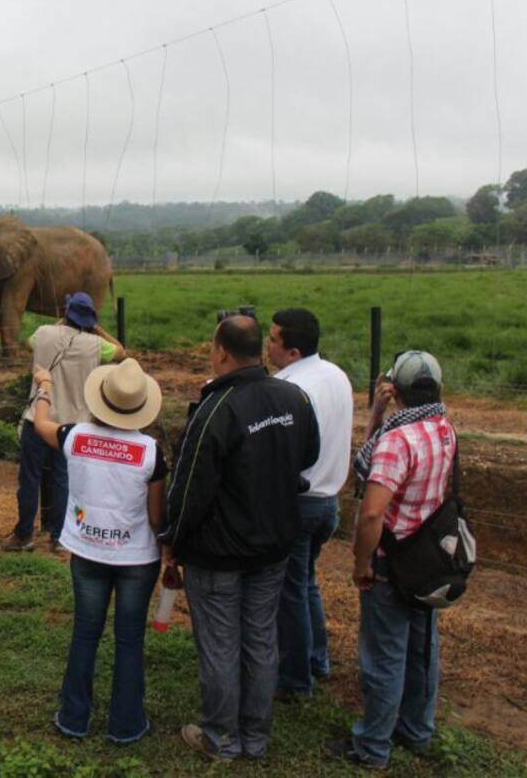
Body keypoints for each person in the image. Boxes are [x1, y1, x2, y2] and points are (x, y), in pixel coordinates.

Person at [160, 315, 319, 761]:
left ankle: (220, 739)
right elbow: (309, 454)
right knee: (261, 638)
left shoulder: (216, 408)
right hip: (274, 545)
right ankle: (255, 736)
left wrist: (172, 540)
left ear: (222, 352)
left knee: (221, 644)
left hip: (218, 553)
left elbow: (189, 489)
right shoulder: (294, 398)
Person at [328, 350, 456, 769]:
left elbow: (371, 511)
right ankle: (417, 729)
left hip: (390, 559)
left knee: (384, 656)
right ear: (436, 389)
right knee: (421, 648)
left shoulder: (396, 441)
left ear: (396, 390)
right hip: (426, 561)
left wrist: (362, 562)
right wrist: (380, 412)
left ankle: (373, 746)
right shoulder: (443, 428)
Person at [29, 358, 167, 744]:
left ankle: (74, 717)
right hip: (137, 558)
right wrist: (169, 548)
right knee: (129, 638)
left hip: (87, 553)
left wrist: (45, 388)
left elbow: (41, 426)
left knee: (85, 634)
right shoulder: (152, 452)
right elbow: (157, 517)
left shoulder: (75, 436)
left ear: (100, 399)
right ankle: (126, 724)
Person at [267, 308, 354, 699]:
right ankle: (318, 659)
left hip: (299, 503)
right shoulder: (336, 375)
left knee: (290, 593)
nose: (267, 344)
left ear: (292, 350)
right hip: (329, 502)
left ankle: (295, 679)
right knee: (306, 583)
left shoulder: (288, 388)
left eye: (273, 339)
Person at [2, 292, 125, 553]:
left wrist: (61, 323)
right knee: (62, 479)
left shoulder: (44, 332)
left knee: (30, 478)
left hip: (38, 418)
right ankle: (59, 537)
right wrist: (98, 329)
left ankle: (24, 534)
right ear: (89, 319)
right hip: (71, 426)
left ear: (66, 313)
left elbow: (29, 344)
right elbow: (121, 352)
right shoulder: (95, 344)